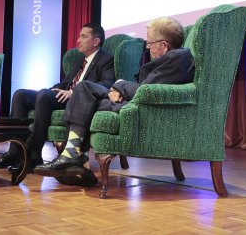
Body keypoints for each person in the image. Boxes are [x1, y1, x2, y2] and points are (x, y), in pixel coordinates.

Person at [34, 17, 195, 187]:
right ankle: (75, 156)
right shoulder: (173, 58)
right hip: (135, 102)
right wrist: (117, 89)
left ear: (163, 45)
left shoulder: (178, 57)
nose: (148, 49)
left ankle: (73, 155)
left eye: (150, 44)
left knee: (85, 93)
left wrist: (119, 85)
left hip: (140, 109)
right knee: (83, 89)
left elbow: (146, 90)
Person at [0, 23, 115, 172]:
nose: (78, 40)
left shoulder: (106, 59)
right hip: (63, 96)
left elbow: (106, 84)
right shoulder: (80, 59)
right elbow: (66, 82)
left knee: (44, 95)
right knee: (20, 94)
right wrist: (53, 89)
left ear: (96, 41)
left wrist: (73, 92)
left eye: (83, 36)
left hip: (80, 101)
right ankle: (15, 152)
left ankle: (34, 156)